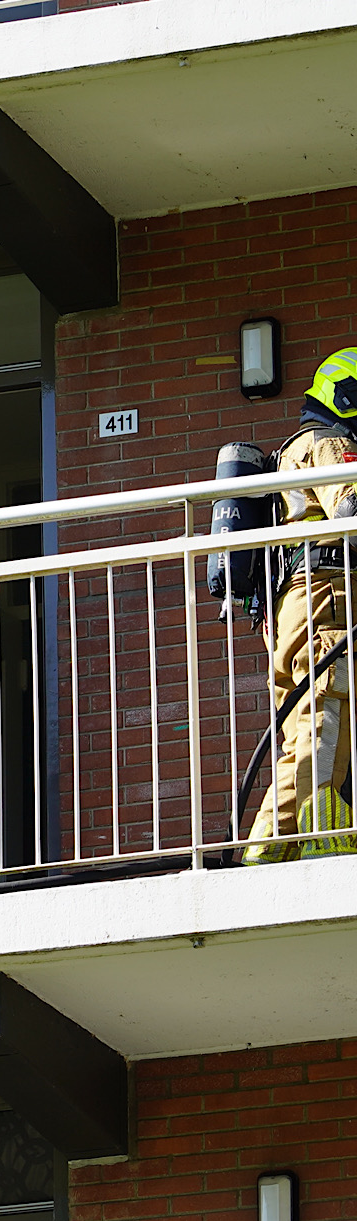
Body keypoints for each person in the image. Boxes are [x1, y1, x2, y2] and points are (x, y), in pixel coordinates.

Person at [247, 347, 357, 863]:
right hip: (327, 596)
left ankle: (272, 849)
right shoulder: (331, 441)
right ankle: (308, 845)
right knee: (324, 720)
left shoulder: (293, 449)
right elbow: (353, 510)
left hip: (299, 602)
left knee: (307, 726)